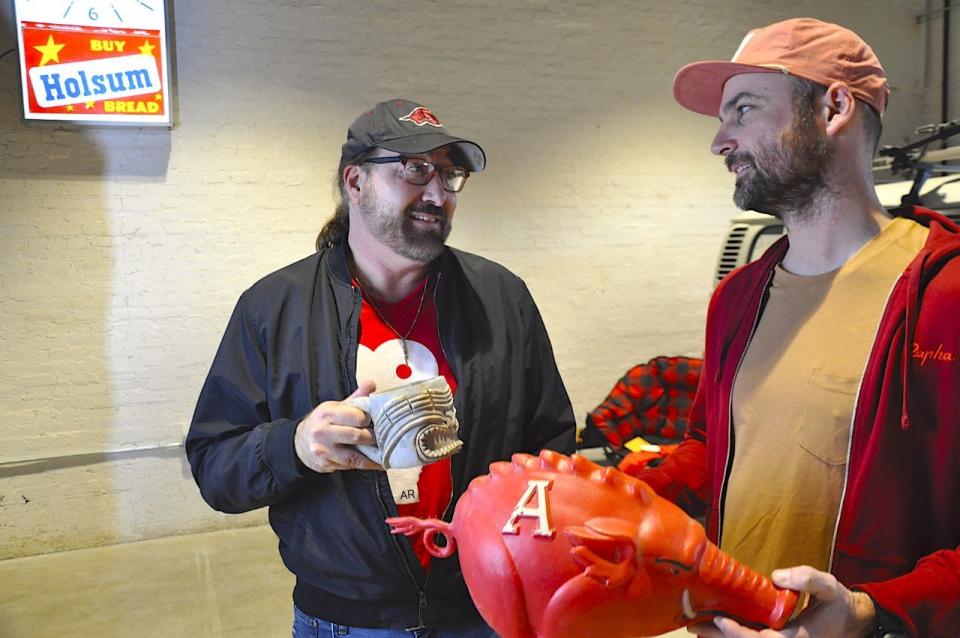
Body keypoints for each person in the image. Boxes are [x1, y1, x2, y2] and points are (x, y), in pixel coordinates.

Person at [185, 98, 576, 637]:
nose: (437, 193)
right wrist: (296, 446)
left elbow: (551, 445)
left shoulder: (501, 298)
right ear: (356, 182)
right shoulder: (274, 308)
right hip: (347, 619)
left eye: (449, 174)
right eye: (416, 170)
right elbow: (214, 466)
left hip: (485, 606)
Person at [635, 18, 960, 638]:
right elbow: (715, 446)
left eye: (744, 110)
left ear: (834, 107)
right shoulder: (736, 299)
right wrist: (622, 489)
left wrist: (868, 613)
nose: (720, 142)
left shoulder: (946, 297)